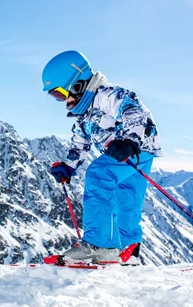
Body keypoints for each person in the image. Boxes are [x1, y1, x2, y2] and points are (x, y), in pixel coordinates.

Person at [42, 50, 162, 265]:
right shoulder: (83, 113)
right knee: (125, 198)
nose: (62, 101)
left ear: (77, 84)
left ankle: (100, 245)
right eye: (55, 97)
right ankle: (128, 251)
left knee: (99, 175)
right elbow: (81, 142)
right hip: (134, 153)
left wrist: (129, 140)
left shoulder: (107, 96)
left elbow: (134, 112)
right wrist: (68, 166)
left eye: (61, 93)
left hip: (135, 149)